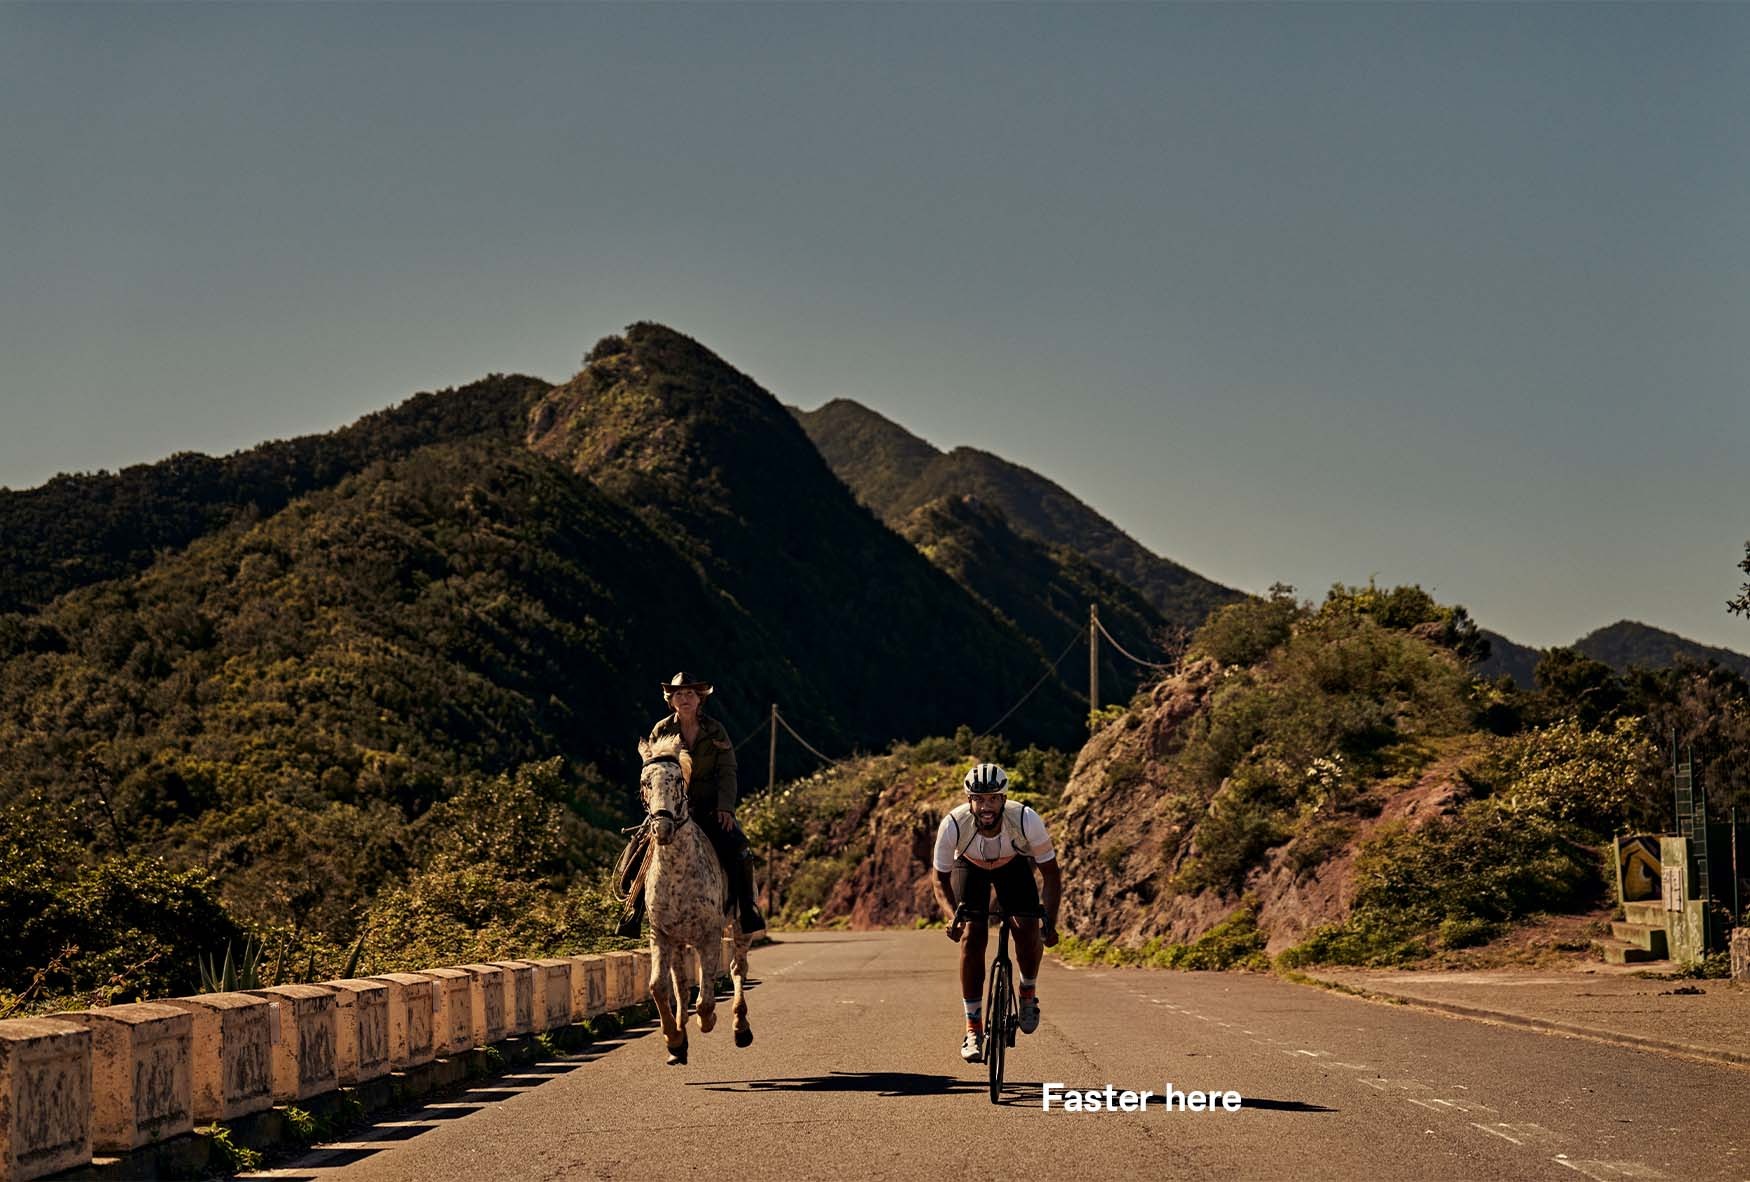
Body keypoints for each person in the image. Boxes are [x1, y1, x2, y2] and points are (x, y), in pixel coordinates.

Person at [618, 672, 766, 937]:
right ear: (671, 700)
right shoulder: (661, 730)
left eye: (690, 694)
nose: (684, 698)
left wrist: (725, 808)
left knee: (739, 848)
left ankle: (747, 910)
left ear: (700, 699)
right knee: (636, 851)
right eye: (678, 694)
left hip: (710, 807)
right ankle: (634, 912)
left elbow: (727, 770)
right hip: (669, 808)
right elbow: (653, 771)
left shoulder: (715, 730)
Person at [932, 762, 1062, 1065]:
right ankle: (973, 1028)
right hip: (970, 867)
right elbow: (939, 879)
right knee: (972, 936)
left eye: (992, 798)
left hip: (1012, 867)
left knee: (1027, 928)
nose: (985, 806)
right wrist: (952, 917)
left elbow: (1051, 875)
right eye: (978, 799)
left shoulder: (1026, 820)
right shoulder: (953, 824)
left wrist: (1050, 923)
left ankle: (1027, 992)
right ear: (969, 801)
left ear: (1004, 799)